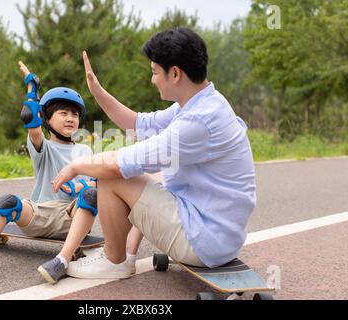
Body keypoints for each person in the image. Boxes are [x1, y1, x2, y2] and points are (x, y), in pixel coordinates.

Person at [51, 27, 257, 280]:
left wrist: (77, 165)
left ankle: (115, 260)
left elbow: (122, 164)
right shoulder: (203, 102)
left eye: (154, 72)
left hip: (205, 241)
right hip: (220, 233)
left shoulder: (198, 121)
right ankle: (125, 252)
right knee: (139, 172)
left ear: (175, 73)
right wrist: (98, 93)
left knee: (111, 175)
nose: (152, 79)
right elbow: (139, 124)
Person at [0, 61, 103, 285]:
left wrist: (77, 187)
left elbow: (96, 184)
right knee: (7, 201)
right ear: (47, 119)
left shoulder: (84, 150)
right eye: (63, 113)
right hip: (39, 214)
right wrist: (32, 89)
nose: (71, 118)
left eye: (75, 114)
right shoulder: (43, 146)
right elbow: (30, 121)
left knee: (92, 195)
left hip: (71, 219)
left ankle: (62, 260)